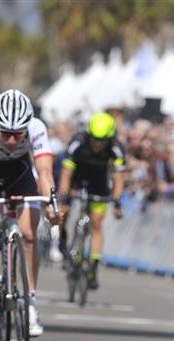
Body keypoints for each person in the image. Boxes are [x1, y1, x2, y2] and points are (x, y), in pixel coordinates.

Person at [0, 89, 59, 336]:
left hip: (19, 174)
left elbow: (44, 173)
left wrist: (52, 205)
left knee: (29, 236)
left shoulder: (37, 128)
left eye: (18, 134)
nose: (11, 140)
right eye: (6, 134)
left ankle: (29, 303)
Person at [58, 112, 125, 290]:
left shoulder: (116, 148)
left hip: (99, 182)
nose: (97, 144)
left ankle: (93, 267)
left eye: (102, 140)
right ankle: (63, 236)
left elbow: (118, 178)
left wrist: (117, 203)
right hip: (76, 177)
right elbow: (66, 174)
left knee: (96, 223)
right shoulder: (77, 142)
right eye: (94, 139)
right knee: (63, 211)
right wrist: (63, 197)